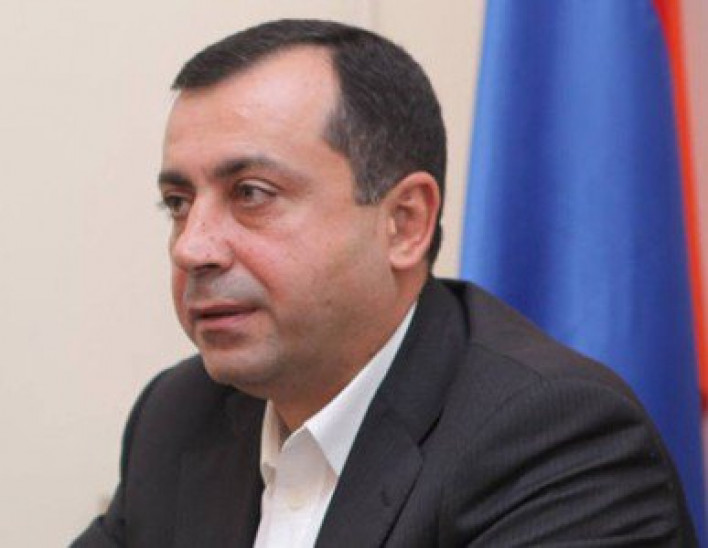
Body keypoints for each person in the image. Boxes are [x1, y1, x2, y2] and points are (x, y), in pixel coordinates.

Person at [72, 19, 697, 547]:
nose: (192, 247)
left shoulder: (555, 442)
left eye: (251, 194)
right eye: (178, 203)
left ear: (405, 223)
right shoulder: (181, 413)